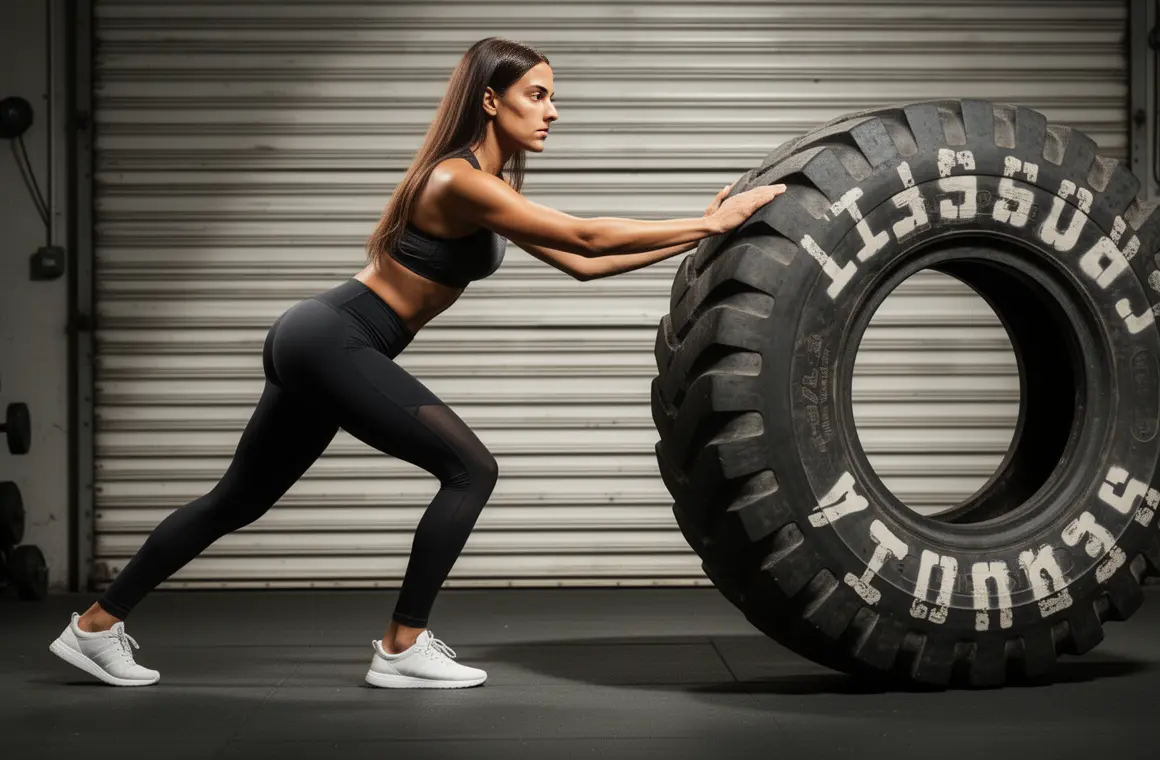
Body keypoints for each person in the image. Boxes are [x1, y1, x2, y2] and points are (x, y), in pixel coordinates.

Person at [47, 37, 786, 690]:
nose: (553, 111)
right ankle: (402, 646)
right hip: (334, 337)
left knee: (237, 500)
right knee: (471, 469)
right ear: (490, 101)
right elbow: (589, 236)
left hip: (321, 339)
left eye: (554, 97)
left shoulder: (491, 186)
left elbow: (581, 266)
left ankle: (93, 628)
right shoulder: (456, 180)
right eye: (538, 95)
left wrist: (699, 238)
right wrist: (708, 219)